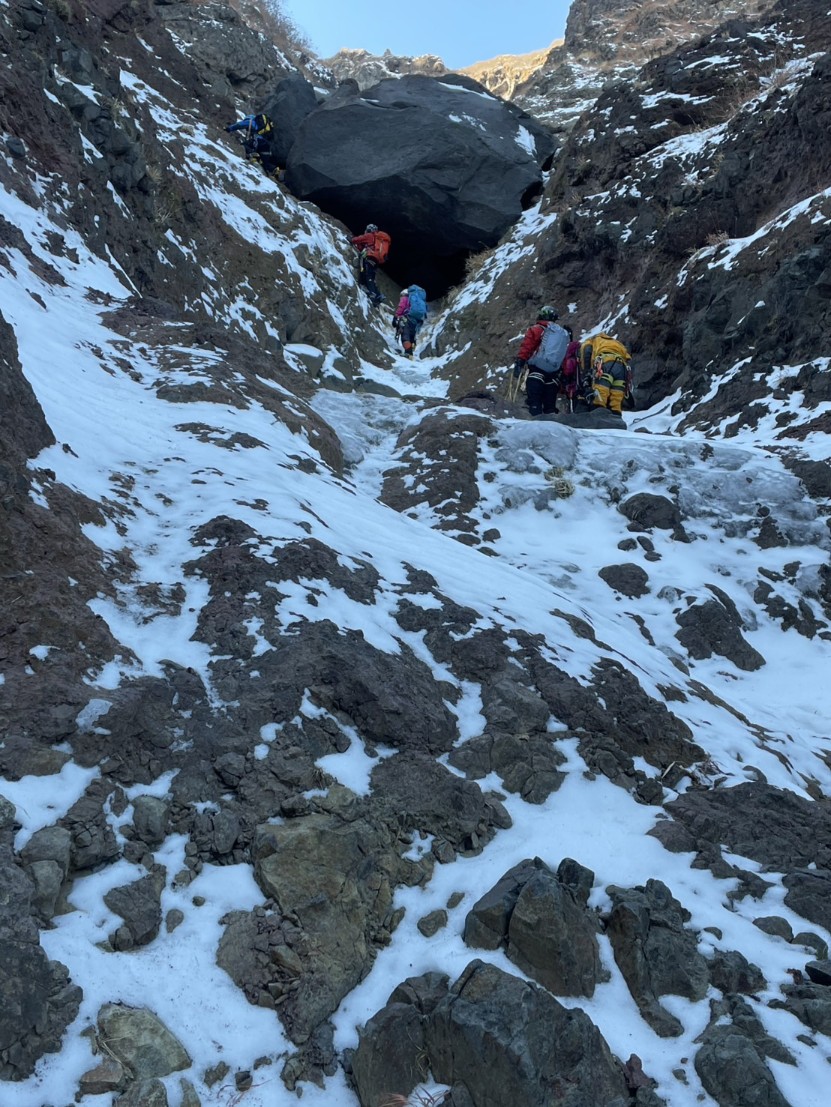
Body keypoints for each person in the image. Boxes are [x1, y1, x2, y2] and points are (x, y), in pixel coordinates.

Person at [512, 305, 571, 416]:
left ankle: (535, 417)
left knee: (535, 400)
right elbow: (563, 354)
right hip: (554, 372)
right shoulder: (561, 334)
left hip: (537, 368)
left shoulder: (538, 329)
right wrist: (563, 374)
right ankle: (551, 419)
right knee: (550, 406)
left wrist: (520, 361)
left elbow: (527, 346)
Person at [579, 332, 633, 415]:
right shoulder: (616, 343)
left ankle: (598, 415)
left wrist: (586, 371)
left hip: (605, 363)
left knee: (601, 393)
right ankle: (616, 416)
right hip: (621, 366)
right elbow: (627, 356)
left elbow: (586, 350)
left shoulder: (593, 340)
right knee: (616, 397)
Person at [225, 113, 281, 178]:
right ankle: (274, 169)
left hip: (257, 141)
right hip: (266, 145)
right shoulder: (263, 125)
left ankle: (253, 155)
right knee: (265, 162)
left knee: (243, 146)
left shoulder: (250, 122)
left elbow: (239, 125)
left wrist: (229, 129)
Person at [350, 224, 391, 306]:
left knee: (368, 275)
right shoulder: (377, 239)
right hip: (376, 260)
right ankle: (378, 295)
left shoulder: (370, 235)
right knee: (371, 276)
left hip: (370, 257)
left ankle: (373, 294)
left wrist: (351, 240)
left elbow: (359, 239)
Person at [393, 284, 428, 357]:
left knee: (405, 335)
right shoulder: (418, 301)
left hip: (407, 319)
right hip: (416, 321)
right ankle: (410, 353)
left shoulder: (405, 298)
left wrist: (396, 317)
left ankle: (408, 353)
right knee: (411, 336)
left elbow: (401, 307)